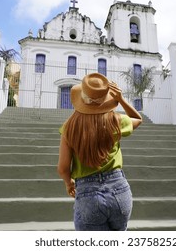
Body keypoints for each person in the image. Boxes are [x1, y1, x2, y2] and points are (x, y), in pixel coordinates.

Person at [57, 72, 142, 231]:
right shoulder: (116, 121)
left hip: (88, 195)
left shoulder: (69, 128)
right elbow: (138, 119)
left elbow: (62, 168)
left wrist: (69, 183)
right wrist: (121, 100)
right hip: (120, 190)